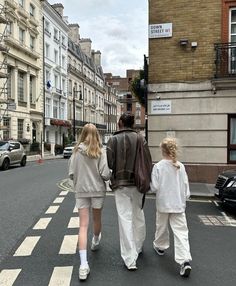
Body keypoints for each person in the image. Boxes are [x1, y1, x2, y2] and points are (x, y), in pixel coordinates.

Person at [107, 112, 151, 270]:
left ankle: (129, 259)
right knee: (138, 214)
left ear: (120, 122)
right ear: (132, 124)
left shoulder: (113, 140)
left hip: (120, 184)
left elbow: (111, 163)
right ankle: (138, 247)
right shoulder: (141, 138)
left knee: (124, 219)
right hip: (138, 183)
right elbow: (147, 161)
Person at [69, 123, 110, 281]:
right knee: (97, 219)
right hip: (97, 191)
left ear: (83, 134)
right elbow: (105, 174)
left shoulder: (76, 152)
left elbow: (71, 174)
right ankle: (95, 240)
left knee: (83, 225)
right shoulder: (101, 151)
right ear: (97, 134)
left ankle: (83, 265)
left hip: (81, 191)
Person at [150, 137, 192, 277]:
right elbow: (186, 187)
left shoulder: (158, 166)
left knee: (161, 226)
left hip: (163, 203)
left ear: (162, 150)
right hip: (178, 204)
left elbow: (154, 187)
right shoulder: (180, 166)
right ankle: (184, 260)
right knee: (181, 233)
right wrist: (184, 197)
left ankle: (160, 246)